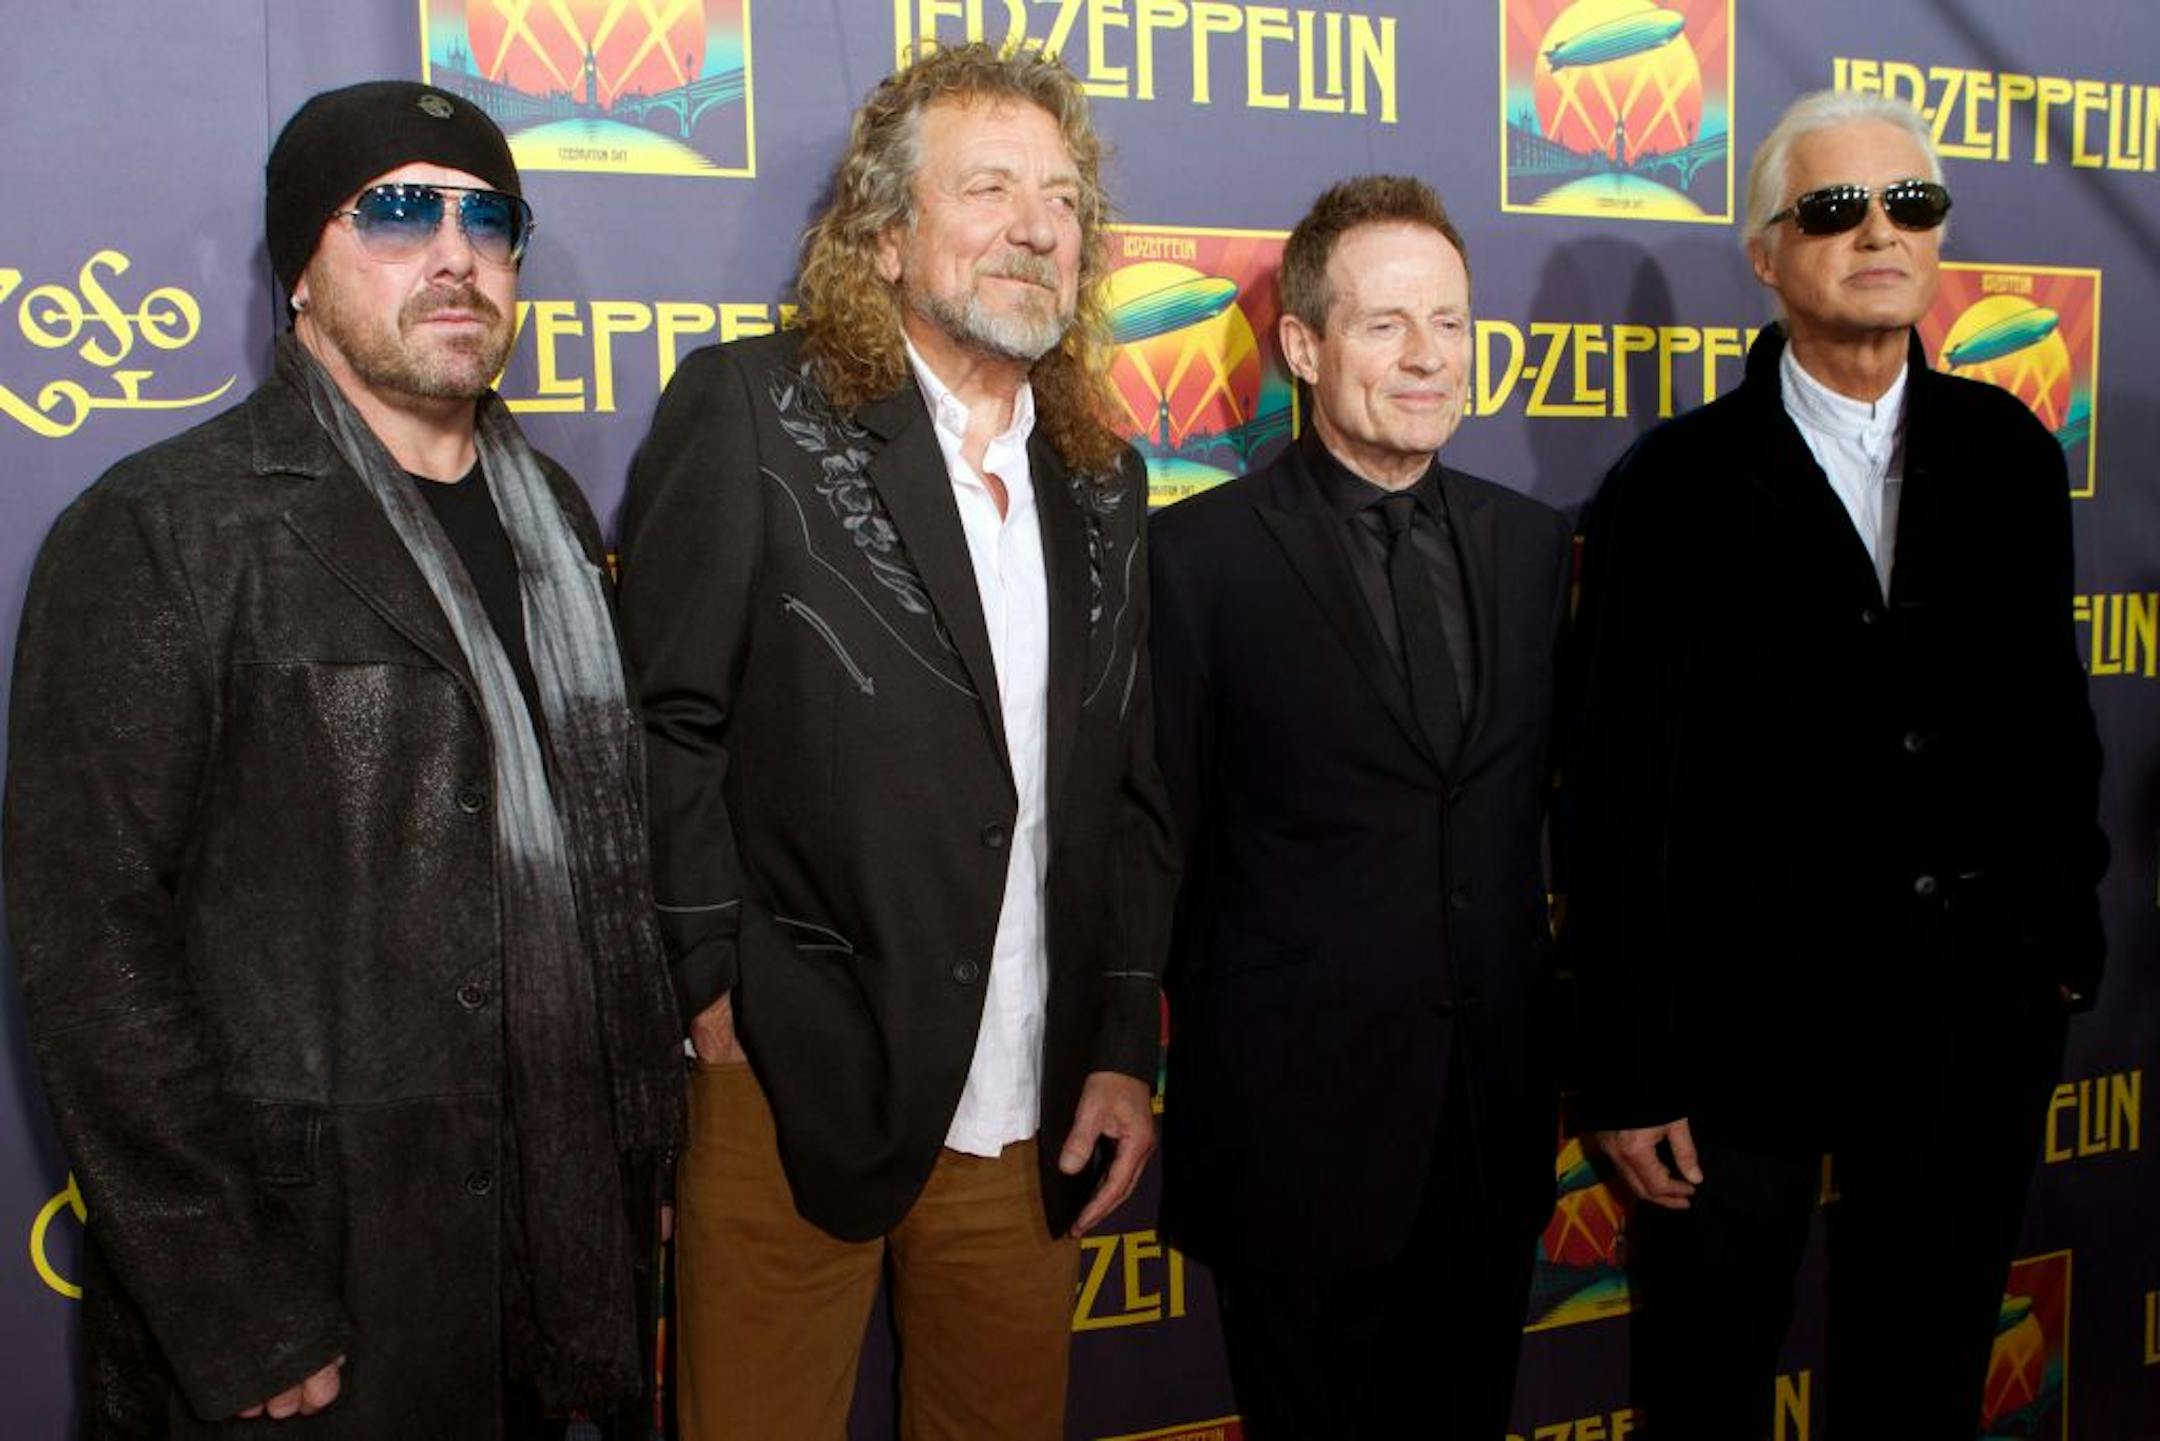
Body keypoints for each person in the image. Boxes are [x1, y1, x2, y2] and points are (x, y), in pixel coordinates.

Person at [2, 81, 685, 1436]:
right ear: (299, 276)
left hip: (550, 1273)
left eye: (489, 218)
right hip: (317, 1286)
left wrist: (630, 1155)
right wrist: (232, 1303)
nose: (453, 252)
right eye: (394, 211)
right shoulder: (164, 529)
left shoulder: (549, 512)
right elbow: (91, 947)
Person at [616, 43, 1178, 1441]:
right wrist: (705, 980)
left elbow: (1125, 786)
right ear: (881, 233)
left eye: (1061, 198)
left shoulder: (1103, 473)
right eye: (988, 186)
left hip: (1023, 1103)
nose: (1038, 225)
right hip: (787, 1082)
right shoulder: (753, 412)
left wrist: (1116, 1039)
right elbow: (660, 717)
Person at [1566, 90, 2107, 1438]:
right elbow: (1616, 800)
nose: (1880, 232)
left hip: (1967, 1028)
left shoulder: (2012, 455)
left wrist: (2056, 944)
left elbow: (2056, 728)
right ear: (1766, 252)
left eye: (1910, 205)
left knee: (1920, 1388)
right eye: (1835, 208)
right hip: (1736, 1045)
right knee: (1702, 1391)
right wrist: (1632, 1070)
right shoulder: (1668, 489)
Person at [1147, 175, 1572, 1438]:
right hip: (1294, 1144)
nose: (1428, 356)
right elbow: (1154, 845)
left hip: (1487, 1130)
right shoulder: (1195, 560)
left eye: (1450, 323)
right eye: (1387, 324)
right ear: (1303, 347)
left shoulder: (1534, 545)